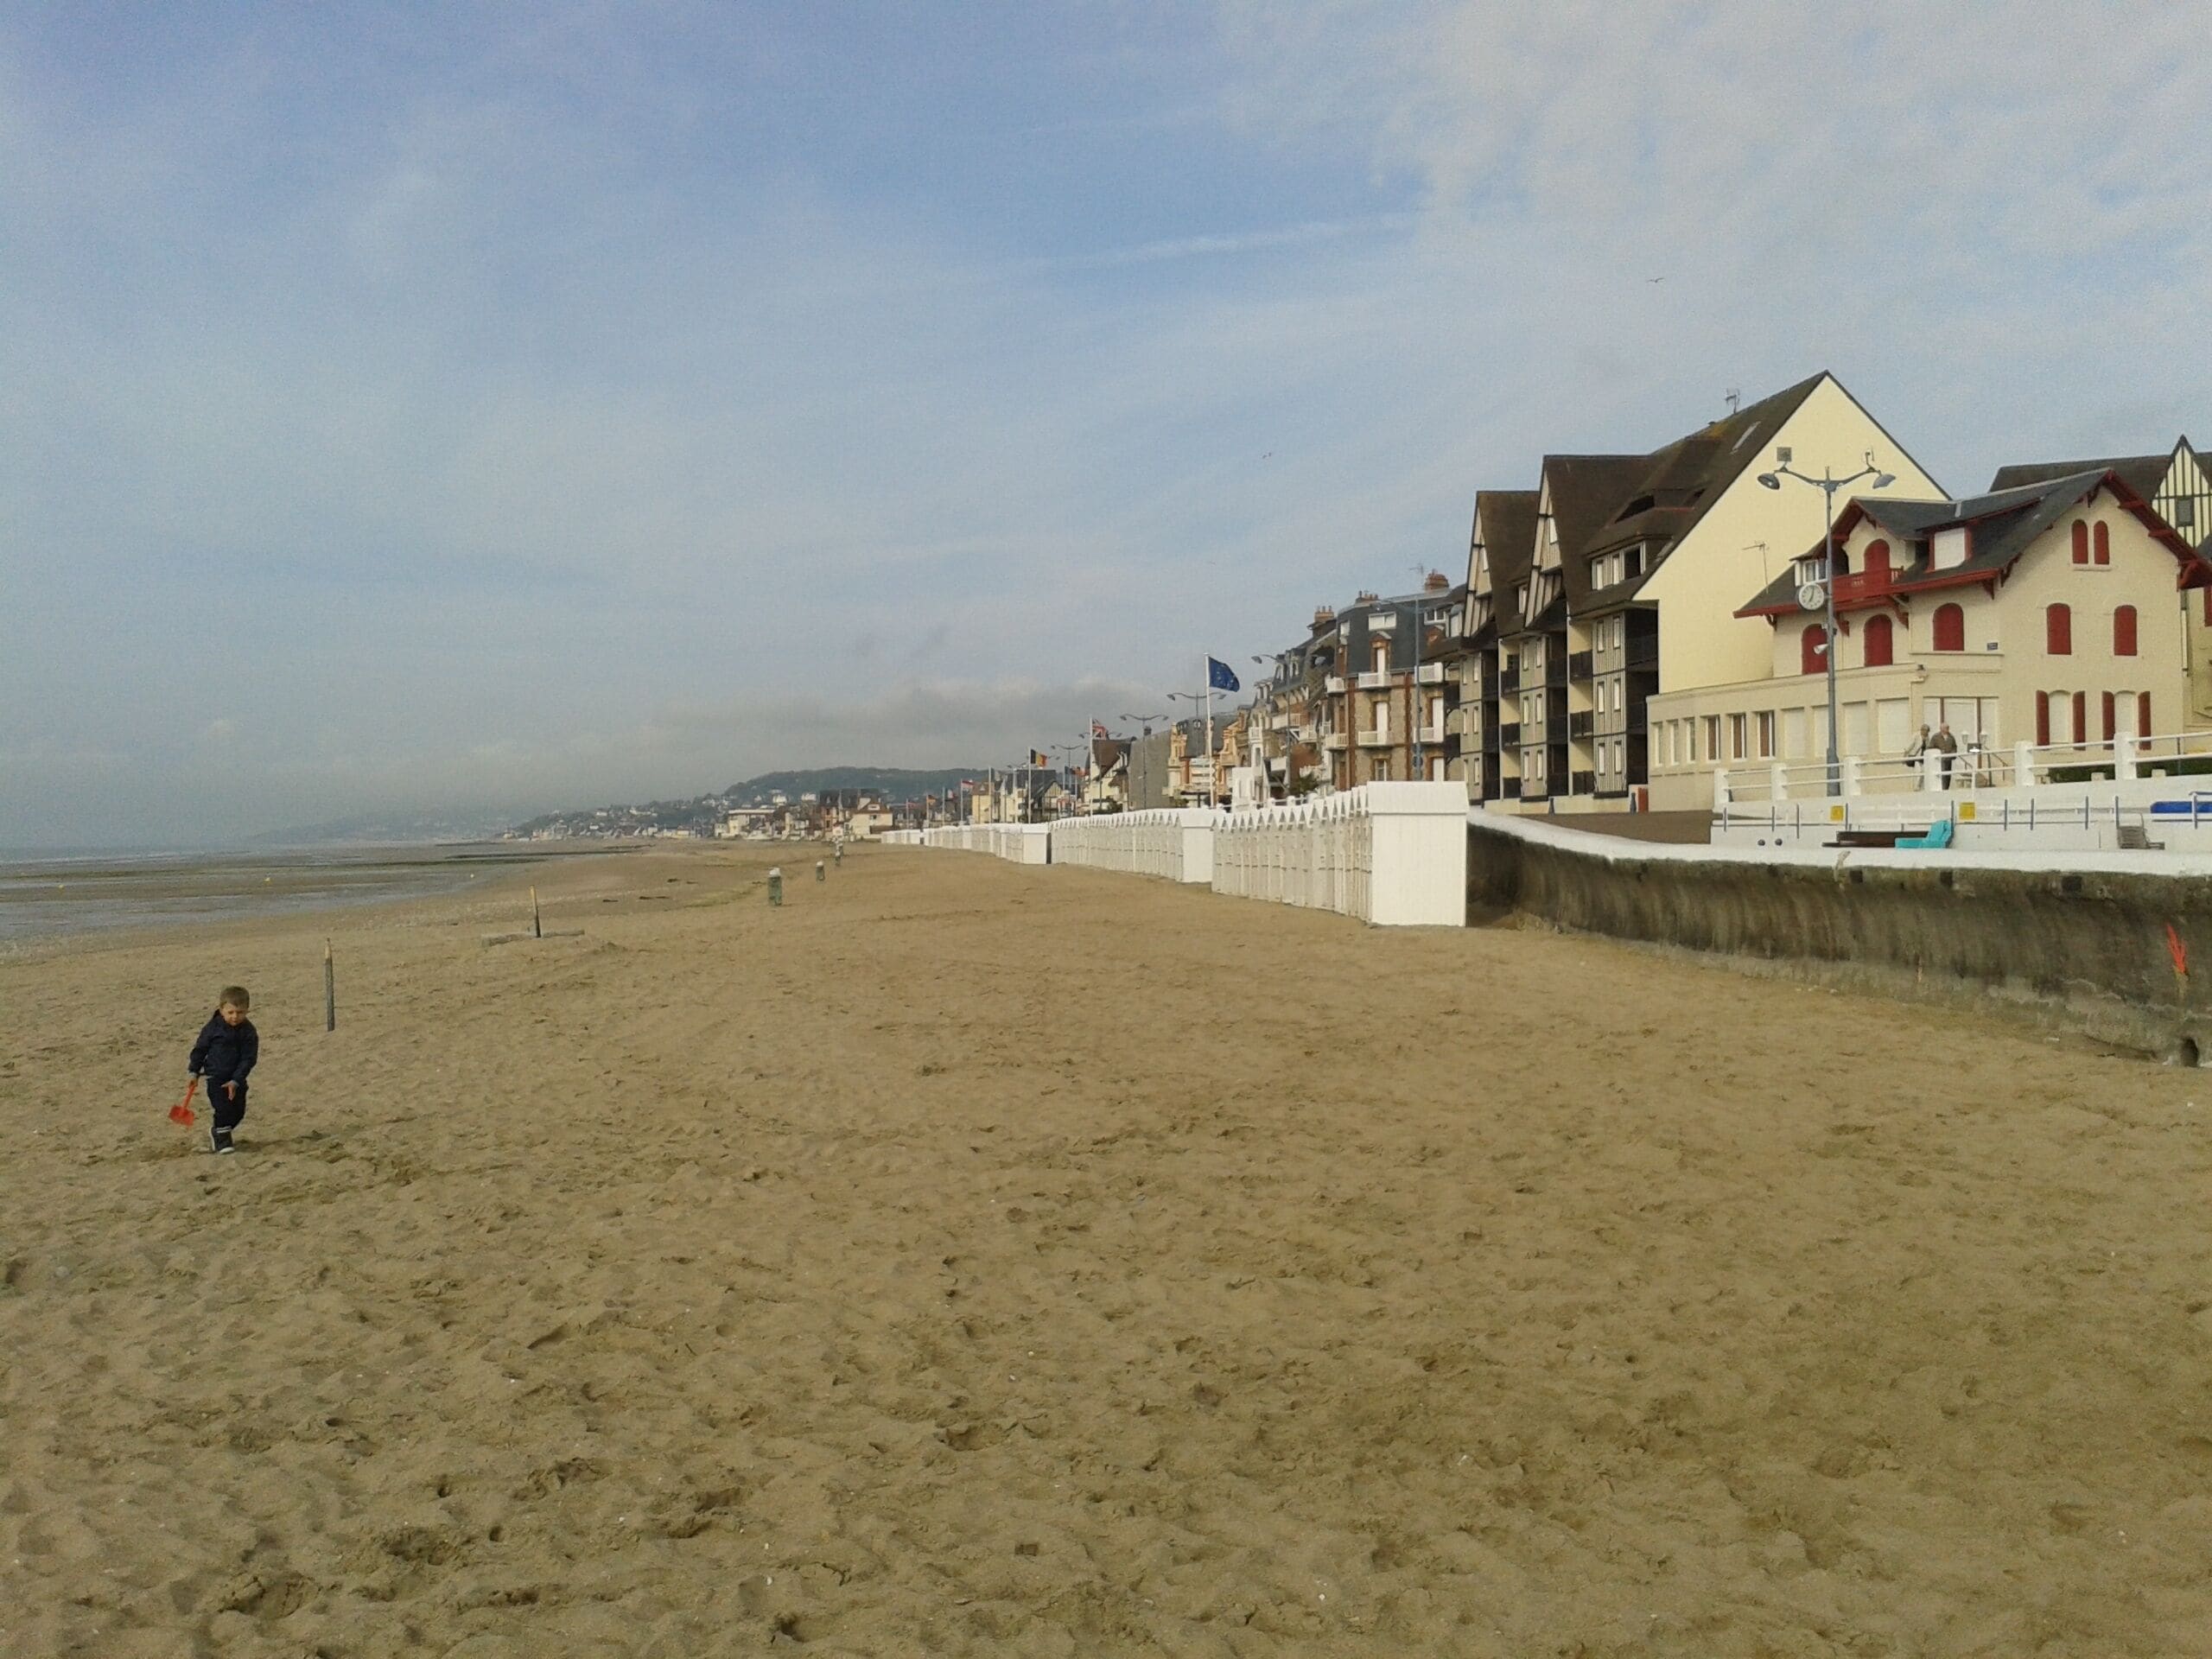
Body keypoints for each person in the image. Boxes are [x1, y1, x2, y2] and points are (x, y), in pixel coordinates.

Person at [188, 986, 258, 1154]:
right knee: (223, 1108)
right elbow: (200, 1050)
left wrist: (236, 1080)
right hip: (216, 1077)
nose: (235, 1017)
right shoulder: (212, 1029)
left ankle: (218, 1131)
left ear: (247, 1010)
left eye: (240, 1012)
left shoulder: (249, 1032)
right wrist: (194, 1071)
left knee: (238, 1112)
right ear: (222, 1010)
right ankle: (222, 1140)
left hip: (237, 1078)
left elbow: (249, 1058)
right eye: (231, 1012)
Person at [1931, 722, 1959, 788]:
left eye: (1948, 728)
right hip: (1939, 761)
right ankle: (1941, 789)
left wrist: (1953, 754)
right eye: (1946, 728)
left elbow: (1954, 747)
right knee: (1941, 776)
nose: (1948, 729)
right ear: (1941, 729)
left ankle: (1946, 789)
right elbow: (1930, 747)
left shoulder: (1951, 737)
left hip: (1948, 760)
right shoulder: (1935, 737)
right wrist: (1938, 752)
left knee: (1947, 776)